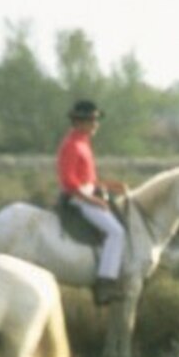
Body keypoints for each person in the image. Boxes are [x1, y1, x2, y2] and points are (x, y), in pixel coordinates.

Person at [57, 100, 128, 306]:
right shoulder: (71, 144)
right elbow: (70, 181)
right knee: (117, 232)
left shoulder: (83, 142)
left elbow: (89, 179)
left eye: (96, 120)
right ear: (81, 122)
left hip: (86, 192)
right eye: (93, 120)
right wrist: (93, 200)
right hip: (77, 197)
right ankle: (104, 285)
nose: (97, 124)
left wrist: (111, 185)